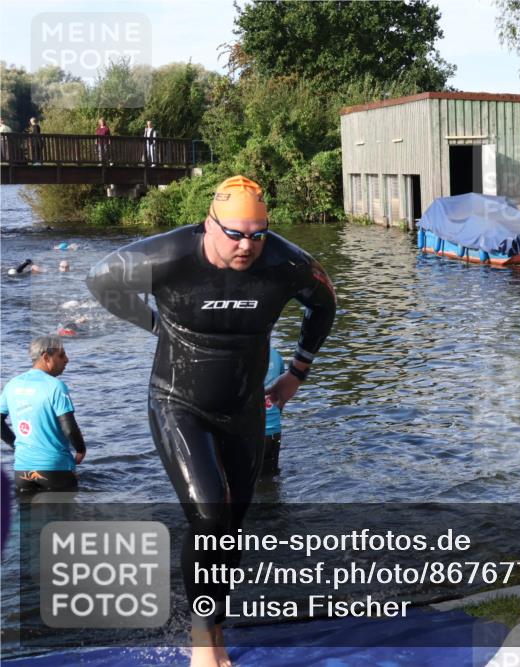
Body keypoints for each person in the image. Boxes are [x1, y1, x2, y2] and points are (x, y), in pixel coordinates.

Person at [86, 175, 336, 667]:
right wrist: (155, 324)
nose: (247, 246)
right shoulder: (169, 255)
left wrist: (297, 374)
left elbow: (324, 305)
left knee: (231, 528)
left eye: (257, 234)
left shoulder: (285, 262)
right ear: (209, 224)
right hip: (178, 400)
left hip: (244, 407)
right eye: (236, 233)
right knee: (207, 516)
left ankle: (214, 628)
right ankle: (202, 642)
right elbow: (101, 279)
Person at [0, 336, 86, 494]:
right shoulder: (56, 386)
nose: (67, 360)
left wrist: (15, 444)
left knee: (27, 517)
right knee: (63, 516)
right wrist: (81, 449)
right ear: (46, 357)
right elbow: (69, 427)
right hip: (55, 469)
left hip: (22, 470)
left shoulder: (12, 384)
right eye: (61, 355)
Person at [262, 344, 284, 474]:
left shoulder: (241, 356)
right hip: (275, 431)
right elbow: (281, 396)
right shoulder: (276, 355)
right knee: (271, 478)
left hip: (251, 435)